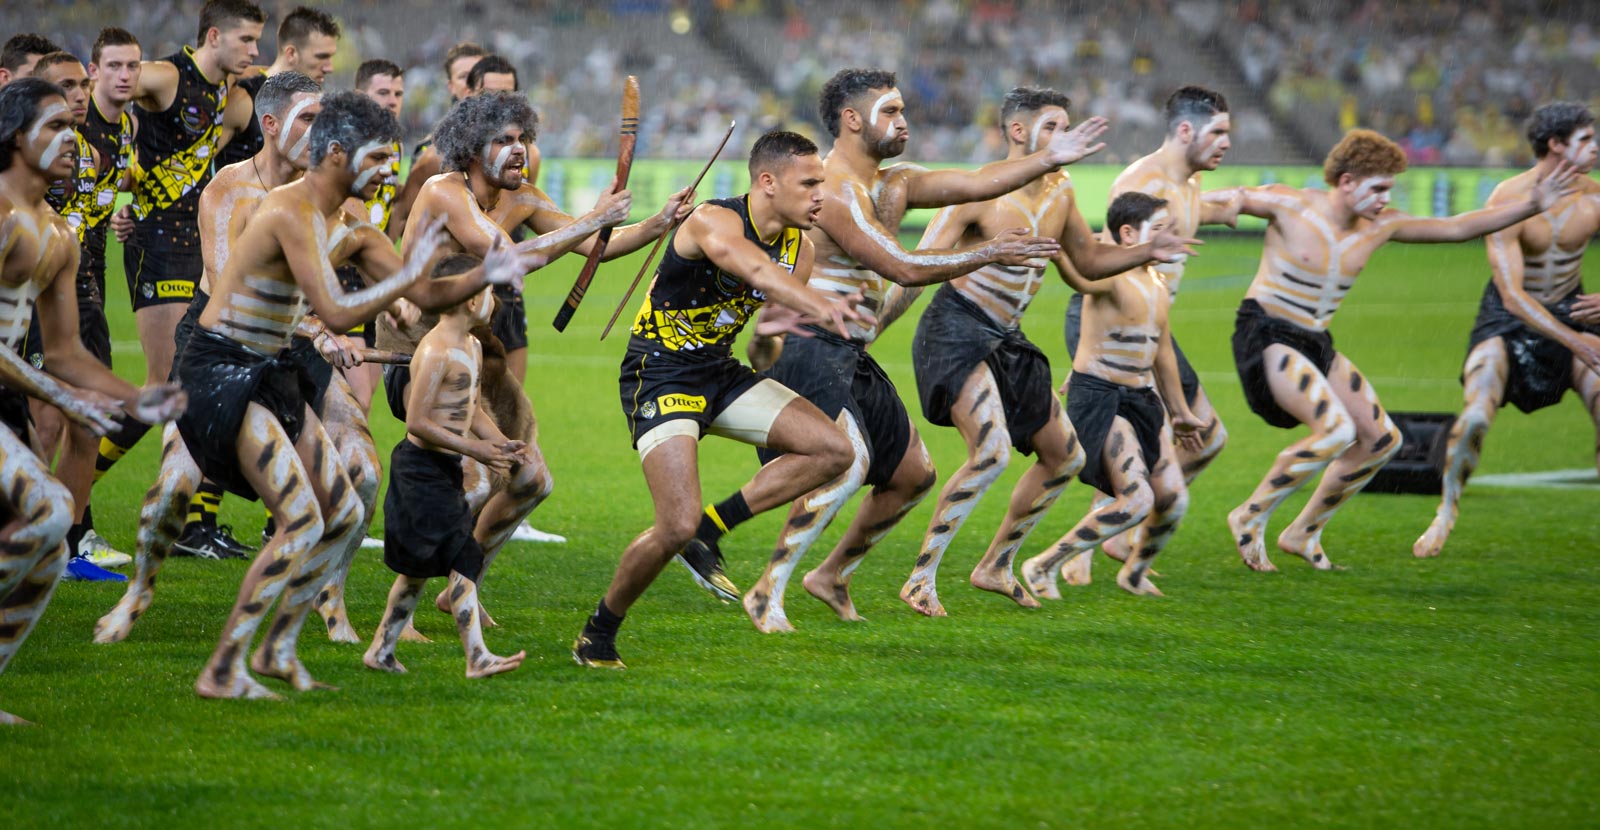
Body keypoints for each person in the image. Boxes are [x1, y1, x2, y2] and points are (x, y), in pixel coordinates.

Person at [91, 92, 529, 699]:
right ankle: (222, 669)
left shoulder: (351, 227)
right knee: (300, 517)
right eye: (379, 159)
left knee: (345, 512)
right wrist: (407, 274)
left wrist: (488, 270)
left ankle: (275, 649)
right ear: (338, 155)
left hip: (270, 372)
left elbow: (426, 297)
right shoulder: (289, 211)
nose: (390, 173)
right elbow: (333, 308)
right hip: (218, 370)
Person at [1210, 129, 1577, 571]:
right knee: (1334, 431)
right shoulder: (1290, 204)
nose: (1386, 198)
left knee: (1382, 441)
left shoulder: (1383, 225)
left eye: (1390, 189)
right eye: (1379, 187)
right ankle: (1250, 515)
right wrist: (1198, 210)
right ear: (1347, 182)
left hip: (1315, 343)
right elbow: (1227, 197)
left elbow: (1457, 227)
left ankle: (1303, 532)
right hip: (1266, 333)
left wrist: (1532, 205)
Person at [573, 131, 871, 669]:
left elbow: (766, 332)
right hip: (660, 372)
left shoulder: (799, 248)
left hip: (719, 371)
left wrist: (768, 341)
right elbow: (755, 273)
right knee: (673, 525)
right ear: (768, 182)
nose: (820, 195)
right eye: (809, 184)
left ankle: (713, 528)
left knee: (833, 450)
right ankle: (599, 631)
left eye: (821, 184)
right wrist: (820, 306)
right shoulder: (713, 219)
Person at [902, 86, 1201, 617]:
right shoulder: (981, 189)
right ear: (1019, 132)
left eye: (1067, 128)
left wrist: (1143, 251)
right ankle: (921, 578)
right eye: (1054, 128)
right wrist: (872, 327)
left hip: (1007, 337)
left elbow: (1085, 264)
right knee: (991, 452)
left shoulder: (1060, 191)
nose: (1065, 139)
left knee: (1066, 456)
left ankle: (996, 564)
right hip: (955, 327)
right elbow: (918, 265)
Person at [394, 90, 632, 625]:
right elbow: (508, 254)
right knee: (473, 481)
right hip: (419, 352)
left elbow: (601, 244)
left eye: (522, 138)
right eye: (503, 140)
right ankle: (398, 620)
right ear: (472, 148)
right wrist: (596, 217)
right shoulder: (443, 190)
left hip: (477, 354)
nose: (518, 149)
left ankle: (461, 587)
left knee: (531, 480)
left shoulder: (522, 196)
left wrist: (662, 222)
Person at [0, 78, 185, 724]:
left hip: (8, 394)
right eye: (52, 128)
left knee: (44, 538)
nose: (70, 143)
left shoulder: (58, 234)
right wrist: (63, 400)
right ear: (14, 137)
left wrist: (142, 396)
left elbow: (66, 354)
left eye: (70, 131)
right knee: (51, 509)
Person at [98, 0, 264, 560]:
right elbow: (112, 89)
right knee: (164, 383)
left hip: (197, 241)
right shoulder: (169, 76)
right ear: (214, 36)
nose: (253, 51)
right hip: (157, 245)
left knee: (199, 378)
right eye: (246, 40)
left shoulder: (230, 95)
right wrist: (130, 195)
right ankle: (72, 499)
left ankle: (195, 524)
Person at [1415, 102, 1600, 558]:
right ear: (1556, 145)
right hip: (1509, 319)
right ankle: (1446, 510)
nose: (1596, 148)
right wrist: (1576, 340)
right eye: (1587, 140)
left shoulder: (1594, 196)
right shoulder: (1508, 200)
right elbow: (1513, 295)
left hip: (1571, 308)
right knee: (1476, 414)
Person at [1021, 192, 1205, 598]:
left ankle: (1134, 574)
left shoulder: (1156, 283)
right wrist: (1058, 254)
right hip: (1101, 397)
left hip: (1143, 401)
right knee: (1137, 499)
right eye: (1159, 231)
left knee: (1173, 499)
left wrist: (1178, 412)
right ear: (1128, 234)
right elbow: (1080, 275)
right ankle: (1043, 565)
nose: (1169, 239)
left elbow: (1163, 352)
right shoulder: (1108, 273)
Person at [364, 253, 528, 679]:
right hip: (420, 471)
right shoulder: (436, 351)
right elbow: (417, 423)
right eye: (489, 290)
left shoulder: (472, 346)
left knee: (418, 573)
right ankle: (476, 657)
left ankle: (380, 649)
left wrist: (502, 444)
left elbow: (471, 411)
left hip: (445, 469)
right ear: (471, 299)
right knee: (463, 558)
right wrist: (477, 453)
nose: (494, 299)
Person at [23, 51, 132, 579]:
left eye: (83, 84)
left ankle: (67, 541)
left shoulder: (89, 152)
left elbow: (100, 208)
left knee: (91, 421)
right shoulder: (25, 159)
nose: (81, 93)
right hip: (38, 294)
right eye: (68, 86)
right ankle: (30, 538)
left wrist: (128, 214)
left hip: (83, 293)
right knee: (44, 422)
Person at [215, 5, 339, 169]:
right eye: (321, 57)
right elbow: (202, 164)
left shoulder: (318, 104)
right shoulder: (245, 98)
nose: (329, 67)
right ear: (291, 53)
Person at [389, 41, 485, 234]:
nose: (472, 84)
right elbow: (406, 216)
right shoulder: (431, 152)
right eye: (464, 76)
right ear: (450, 86)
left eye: (478, 76)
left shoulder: (520, 148)